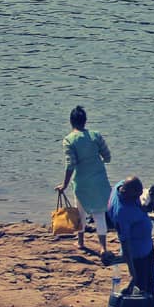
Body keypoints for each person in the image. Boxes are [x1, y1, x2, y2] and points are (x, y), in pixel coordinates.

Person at [56, 106, 113, 258]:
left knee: (79, 212)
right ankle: (103, 247)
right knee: (99, 214)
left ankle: (81, 242)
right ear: (85, 121)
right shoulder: (96, 135)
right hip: (99, 180)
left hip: (81, 183)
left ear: (71, 122)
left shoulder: (69, 140)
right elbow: (107, 156)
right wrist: (102, 160)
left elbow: (70, 164)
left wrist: (64, 185)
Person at [108, 176, 154, 298]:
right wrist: (132, 272)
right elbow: (125, 243)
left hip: (147, 248)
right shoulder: (122, 212)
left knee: (152, 282)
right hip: (138, 255)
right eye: (136, 196)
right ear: (126, 193)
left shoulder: (120, 185)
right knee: (141, 290)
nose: (137, 199)